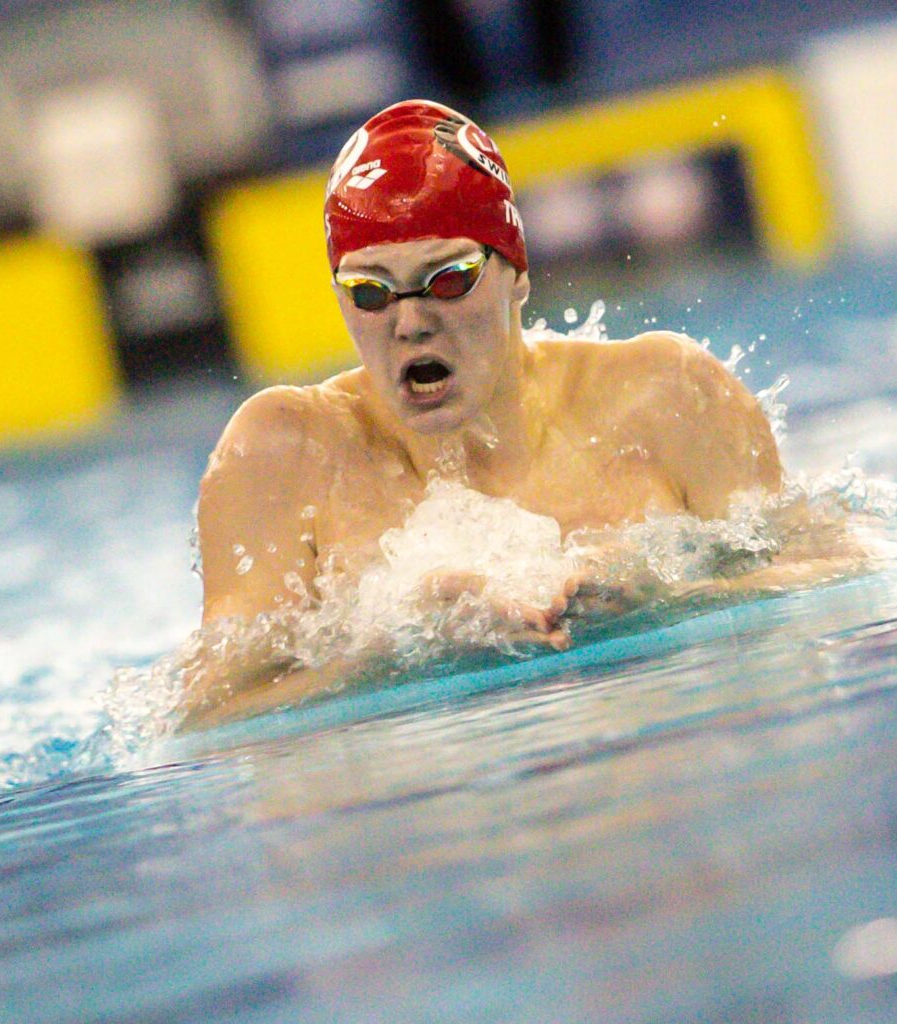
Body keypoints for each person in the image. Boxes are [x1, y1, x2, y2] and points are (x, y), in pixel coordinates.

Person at [182, 100, 856, 729]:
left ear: (517, 271)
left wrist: (663, 592)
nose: (410, 321)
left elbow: (843, 572)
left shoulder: (666, 395)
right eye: (370, 290)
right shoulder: (284, 455)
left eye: (447, 280)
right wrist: (400, 648)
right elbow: (201, 717)